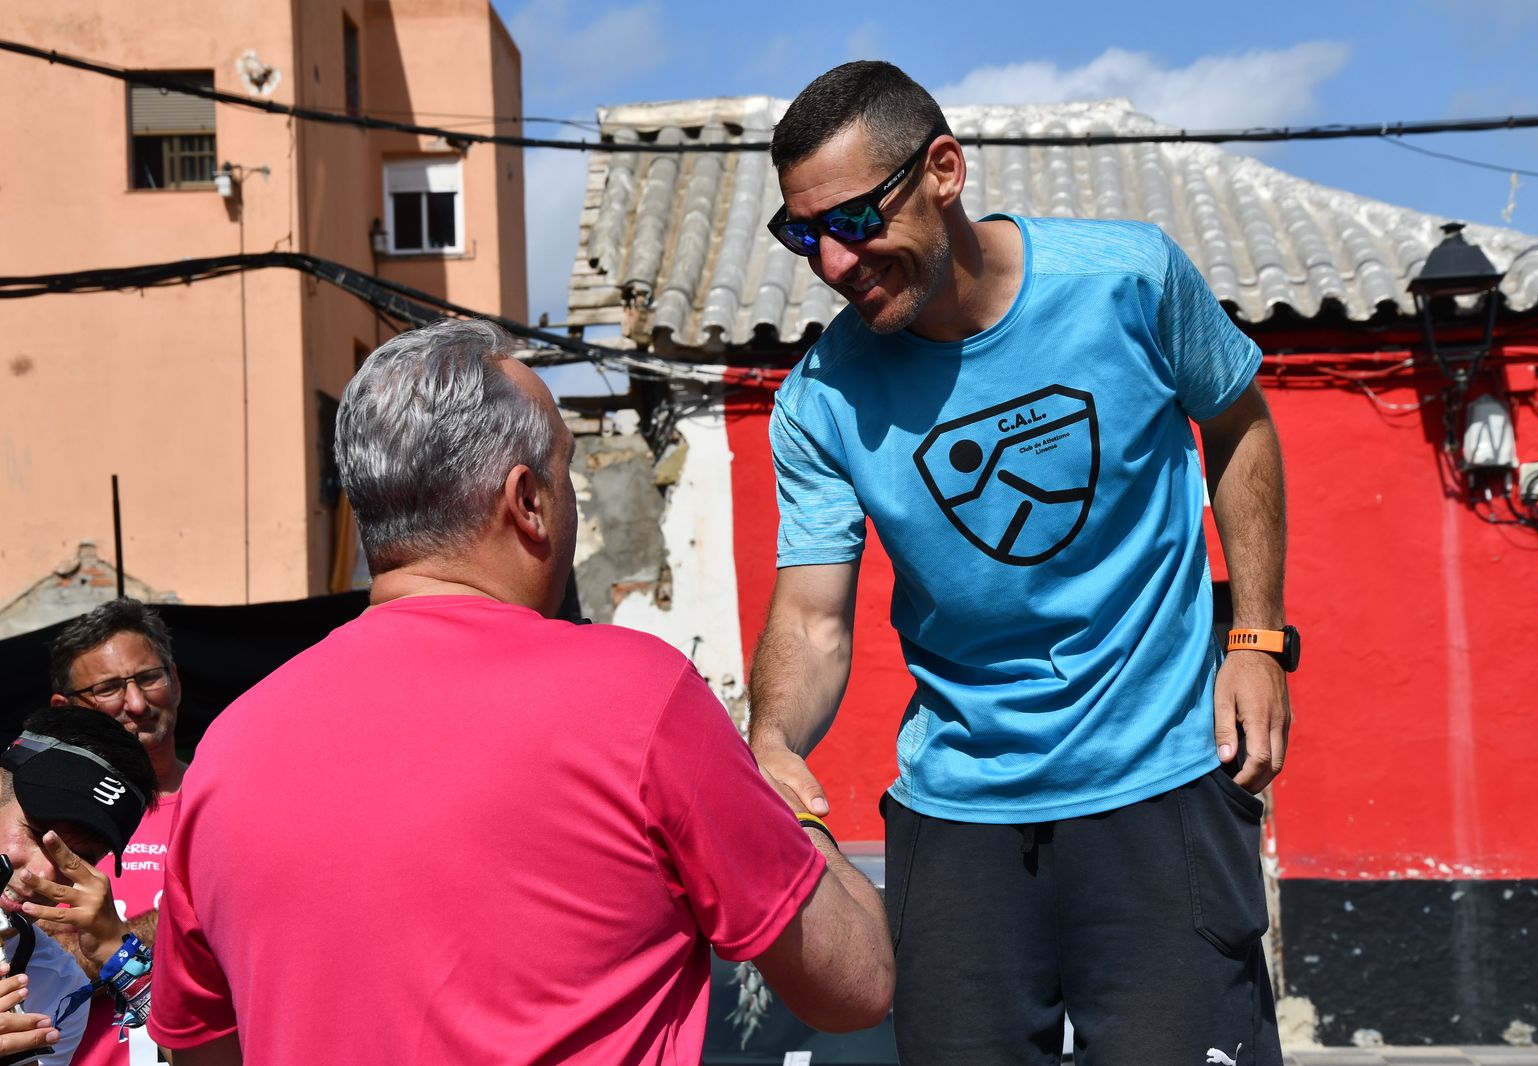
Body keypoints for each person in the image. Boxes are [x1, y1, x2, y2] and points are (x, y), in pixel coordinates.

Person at [148, 318, 893, 1065]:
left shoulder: (225, 753)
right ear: (528, 500)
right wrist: (793, 808)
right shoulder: (636, 698)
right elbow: (853, 984)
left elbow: (200, 1051)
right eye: (565, 472)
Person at [749, 60, 1293, 1065]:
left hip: (1158, 787)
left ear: (943, 171)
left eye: (855, 220)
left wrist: (1256, 639)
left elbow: (1240, 426)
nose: (831, 261)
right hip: (956, 821)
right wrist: (773, 740)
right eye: (802, 234)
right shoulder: (821, 400)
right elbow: (815, 615)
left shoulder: (1129, 281)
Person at [46, 599, 186, 1066]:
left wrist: (110, 937)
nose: (137, 703)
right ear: (64, 709)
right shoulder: (41, 820)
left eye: (149, 678)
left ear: (176, 679)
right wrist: (185, 925)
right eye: (107, 688)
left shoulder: (232, 802)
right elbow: (49, 963)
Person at [0, 706, 159, 1066]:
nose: (39, 873)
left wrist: (119, 955)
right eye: (37, 833)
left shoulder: (56, 985)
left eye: (78, 857)